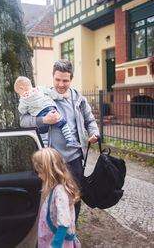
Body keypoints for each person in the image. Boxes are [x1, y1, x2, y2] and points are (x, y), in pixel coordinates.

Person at [20, 59, 99, 220]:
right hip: (51, 162)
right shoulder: (40, 96)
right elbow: (23, 121)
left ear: (71, 78)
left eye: (65, 80)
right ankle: (52, 234)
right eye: (57, 80)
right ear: (52, 76)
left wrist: (94, 133)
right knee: (50, 200)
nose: (61, 84)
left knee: (74, 198)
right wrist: (44, 121)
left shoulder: (78, 99)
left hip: (75, 159)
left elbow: (90, 120)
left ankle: (70, 235)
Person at [32, 148, 81, 248]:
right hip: (50, 237)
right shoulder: (54, 188)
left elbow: (64, 222)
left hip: (58, 242)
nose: (39, 176)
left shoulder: (60, 191)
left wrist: (56, 244)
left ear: (51, 171)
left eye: (41, 172)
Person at [14, 76, 81, 148]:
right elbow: (52, 94)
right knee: (63, 123)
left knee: (43, 133)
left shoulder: (24, 99)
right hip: (50, 109)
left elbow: (22, 110)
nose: (19, 94)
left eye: (18, 93)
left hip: (39, 115)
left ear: (21, 88)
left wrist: (26, 107)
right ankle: (69, 140)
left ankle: (45, 149)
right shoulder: (40, 89)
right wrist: (62, 96)